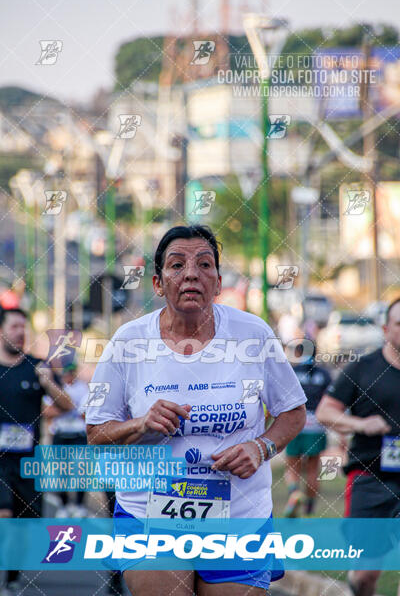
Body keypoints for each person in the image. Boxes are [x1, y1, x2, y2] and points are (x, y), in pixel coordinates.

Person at [86, 225, 307, 596]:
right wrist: (140, 423)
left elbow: (293, 413)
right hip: (151, 513)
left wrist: (261, 447)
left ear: (218, 283)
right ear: (157, 283)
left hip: (239, 514)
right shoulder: (128, 342)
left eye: (204, 265)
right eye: (177, 265)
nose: (191, 274)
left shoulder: (252, 334)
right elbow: (96, 433)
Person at [316, 298, 400, 596]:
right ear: (386, 328)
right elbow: (325, 412)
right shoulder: (363, 368)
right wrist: (361, 425)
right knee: (366, 574)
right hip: (370, 477)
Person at [0, 308, 72, 595]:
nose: (20, 332)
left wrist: (46, 382)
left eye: (23, 327)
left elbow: (68, 406)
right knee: (4, 512)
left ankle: (13, 575)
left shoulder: (37, 365)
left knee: (27, 523)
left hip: (29, 461)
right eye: (14, 326)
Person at [282, 343, 332, 517]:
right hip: (317, 425)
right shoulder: (324, 374)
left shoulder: (293, 372)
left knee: (292, 466)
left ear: (298, 353)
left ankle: (294, 493)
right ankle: (309, 507)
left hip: (296, 424)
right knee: (312, 469)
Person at [43, 360, 89, 517]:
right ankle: (63, 505)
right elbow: (47, 411)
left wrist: (63, 407)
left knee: (81, 471)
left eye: (70, 373)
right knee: (61, 471)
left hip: (78, 435)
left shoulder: (83, 388)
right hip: (61, 434)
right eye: (65, 373)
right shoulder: (57, 388)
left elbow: (86, 414)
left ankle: (79, 505)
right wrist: (68, 407)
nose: (68, 376)